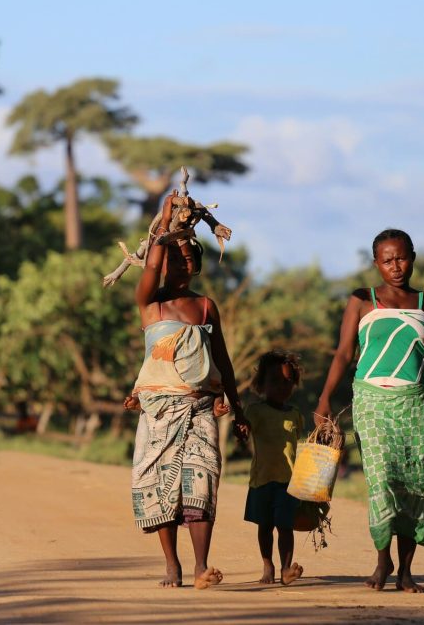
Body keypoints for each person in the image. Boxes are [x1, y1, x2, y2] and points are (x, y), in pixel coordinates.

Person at [314, 228, 424, 593]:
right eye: (387, 260)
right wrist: (324, 399)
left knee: (414, 485)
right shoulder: (361, 300)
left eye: (401, 258)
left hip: (417, 405)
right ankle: (383, 561)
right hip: (372, 403)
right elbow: (344, 353)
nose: (395, 266)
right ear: (376, 264)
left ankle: (406, 571)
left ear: (412, 256)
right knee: (382, 482)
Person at [124, 190, 249, 589]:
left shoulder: (206, 307)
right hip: (159, 411)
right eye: (176, 258)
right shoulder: (151, 304)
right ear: (163, 262)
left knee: (203, 480)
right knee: (162, 486)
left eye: (190, 257)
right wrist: (165, 222)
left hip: (200, 408)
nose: (184, 263)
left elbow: (223, 361)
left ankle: (201, 566)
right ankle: (172, 565)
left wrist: (238, 406)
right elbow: (151, 268)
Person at [244, 349, 304, 586]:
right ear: (261, 384)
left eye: (288, 382)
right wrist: (241, 430)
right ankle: (267, 565)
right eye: (275, 381)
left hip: (289, 482)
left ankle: (286, 568)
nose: (282, 387)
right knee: (265, 526)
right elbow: (245, 428)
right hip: (262, 479)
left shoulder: (296, 415)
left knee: (286, 526)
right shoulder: (255, 411)